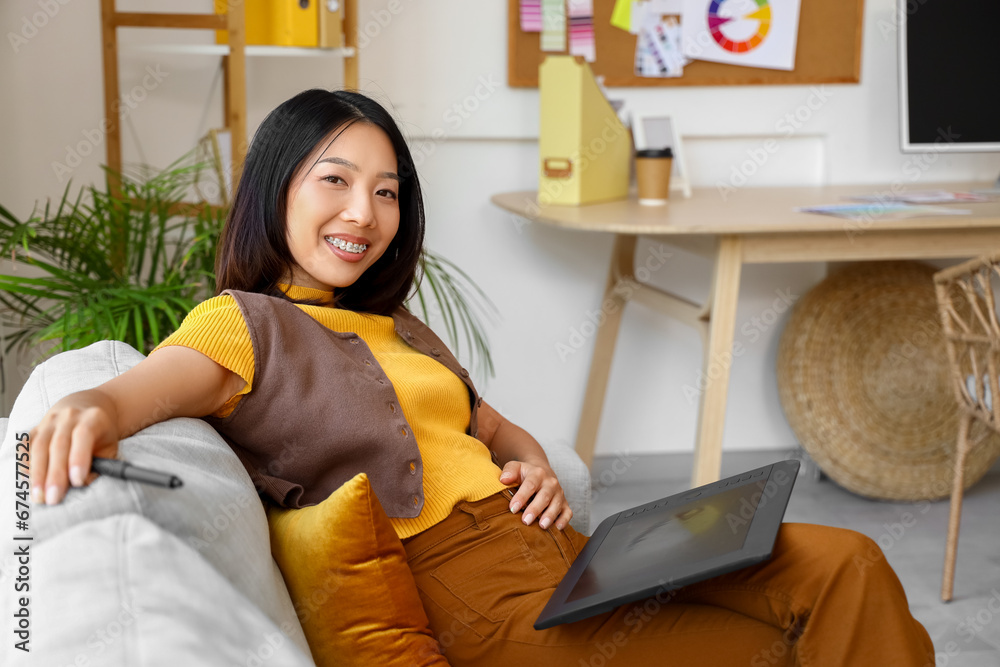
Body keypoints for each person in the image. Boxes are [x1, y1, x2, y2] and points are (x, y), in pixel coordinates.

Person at [27, 88, 935, 666]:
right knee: (775, 646)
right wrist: (93, 404)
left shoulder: (400, 326)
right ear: (277, 189)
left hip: (578, 553)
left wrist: (536, 466)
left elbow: (494, 430)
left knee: (846, 561)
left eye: (386, 191)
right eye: (334, 180)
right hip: (479, 594)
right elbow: (157, 382)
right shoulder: (244, 322)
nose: (363, 212)